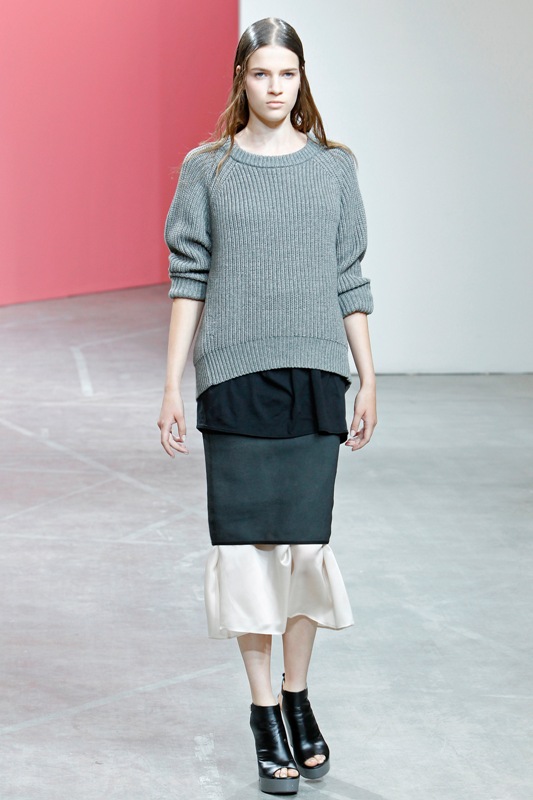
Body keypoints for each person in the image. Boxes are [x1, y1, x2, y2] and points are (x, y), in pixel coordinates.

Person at [158, 16, 377, 796]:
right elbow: (189, 277)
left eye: (287, 73)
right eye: (260, 74)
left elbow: (349, 276)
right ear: (240, 80)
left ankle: (296, 694)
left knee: (305, 551)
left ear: (300, 78)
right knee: (247, 556)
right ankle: (262, 715)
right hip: (233, 379)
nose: (274, 87)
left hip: (315, 375)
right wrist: (171, 383)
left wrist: (367, 376)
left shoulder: (333, 169)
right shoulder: (206, 169)